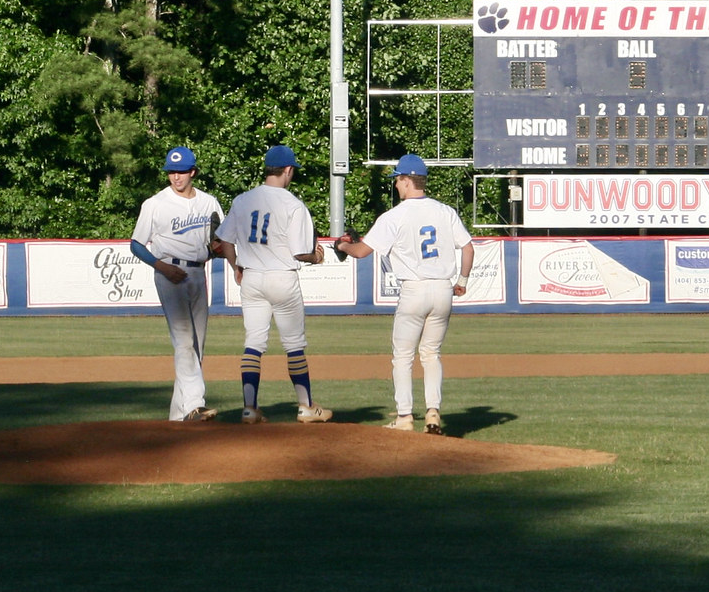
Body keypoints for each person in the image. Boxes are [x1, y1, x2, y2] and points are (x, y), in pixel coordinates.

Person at [334, 153, 474, 435]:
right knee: (431, 353)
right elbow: (468, 248)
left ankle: (405, 417)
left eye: (398, 179)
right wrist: (462, 280)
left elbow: (361, 252)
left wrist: (342, 247)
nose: (396, 185)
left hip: (414, 290)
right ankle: (433, 413)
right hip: (443, 289)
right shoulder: (445, 211)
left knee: (403, 357)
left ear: (408, 181)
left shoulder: (394, 216)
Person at [215, 145, 333, 425]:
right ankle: (305, 407)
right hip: (282, 277)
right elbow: (300, 252)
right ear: (288, 170)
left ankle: (249, 409)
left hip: (253, 276)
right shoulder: (293, 204)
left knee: (253, 343)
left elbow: (225, 240)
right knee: (293, 345)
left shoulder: (243, 200)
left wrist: (235, 267)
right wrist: (316, 258)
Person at [130, 147, 225, 422]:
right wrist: (160, 266)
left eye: (181, 171)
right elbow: (136, 244)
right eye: (172, 172)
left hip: (197, 272)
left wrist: (219, 250)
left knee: (197, 345)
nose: (176, 177)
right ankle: (195, 404)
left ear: (192, 172)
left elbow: (220, 238)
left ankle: (178, 416)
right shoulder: (155, 203)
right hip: (168, 272)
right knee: (183, 341)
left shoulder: (209, 202)